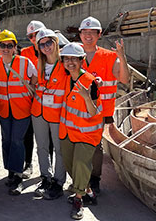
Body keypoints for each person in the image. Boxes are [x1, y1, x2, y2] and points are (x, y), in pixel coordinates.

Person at [0, 29, 37, 195]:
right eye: (2, 45)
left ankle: (17, 175)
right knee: (7, 140)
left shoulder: (25, 62)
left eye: (9, 45)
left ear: (14, 47)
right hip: (4, 110)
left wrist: (29, 90)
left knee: (17, 140)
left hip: (22, 109)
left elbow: (35, 78)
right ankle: (10, 171)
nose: (5, 48)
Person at [78, 16, 130, 194]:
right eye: (85, 32)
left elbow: (124, 79)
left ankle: (94, 179)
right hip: (75, 110)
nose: (88, 36)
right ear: (80, 34)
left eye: (92, 32)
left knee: (94, 145)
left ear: (99, 34)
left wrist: (122, 58)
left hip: (100, 111)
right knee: (77, 143)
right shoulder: (73, 55)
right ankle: (79, 178)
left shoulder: (109, 57)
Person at [59, 43, 102, 220]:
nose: (70, 62)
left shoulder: (91, 83)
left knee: (81, 165)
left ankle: (79, 200)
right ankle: (88, 192)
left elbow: (94, 112)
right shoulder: (66, 78)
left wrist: (86, 98)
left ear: (82, 60)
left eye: (74, 59)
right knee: (70, 165)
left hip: (87, 133)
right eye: (66, 59)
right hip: (68, 132)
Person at [30, 29, 67, 199]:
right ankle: (46, 177)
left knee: (59, 149)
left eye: (49, 42)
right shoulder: (39, 64)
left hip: (58, 113)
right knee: (42, 147)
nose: (46, 47)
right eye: (42, 44)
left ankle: (58, 182)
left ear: (55, 42)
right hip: (38, 112)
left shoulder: (65, 63)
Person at [19, 20, 46, 179]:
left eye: (37, 34)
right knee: (28, 133)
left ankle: (47, 169)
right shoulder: (25, 53)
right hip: (32, 98)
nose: (34, 38)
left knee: (47, 137)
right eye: (31, 36)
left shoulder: (52, 50)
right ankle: (28, 163)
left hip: (50, 100)